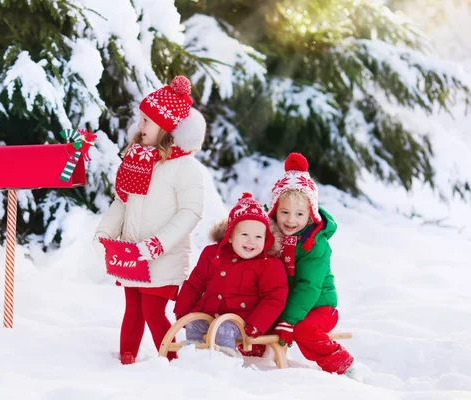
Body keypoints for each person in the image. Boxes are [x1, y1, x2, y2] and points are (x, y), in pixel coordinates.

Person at [93, 76, 206, 365]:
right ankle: (126, 359)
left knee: (153, 311)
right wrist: (106, 231)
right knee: (132, 308)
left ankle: (172, 361)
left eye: (146, 121)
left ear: (166, 129)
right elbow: (124, 200)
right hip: (133, 252)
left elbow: (190, 212)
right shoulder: (136, 159)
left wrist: (158, 244)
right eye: (140, 119)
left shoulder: (185, 167)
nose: (139, 127)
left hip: (162, 255)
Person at [268, 152, 362, 382]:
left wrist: (288, 320)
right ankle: (256, 360)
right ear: (274, 211)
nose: (291, 220)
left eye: (299, 214)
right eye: (284, 212)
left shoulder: (315, 245)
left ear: (310, 215)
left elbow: (308, 286)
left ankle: (342, 365)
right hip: (288, 304)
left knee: (304, 330)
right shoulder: (270, 237)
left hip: (319, 305)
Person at [174, 192, 288, 357]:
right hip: (209, 313)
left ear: (266, 239)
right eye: (245, 235)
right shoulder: (213, 254)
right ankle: (195, 356)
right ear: (229, 237)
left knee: (224, 329)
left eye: (258, 237)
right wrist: (183, 310)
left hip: (242, 320)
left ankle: (225, 363)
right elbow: (195, 282)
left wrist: (255, 325)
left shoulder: (268, 265)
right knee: (193, 324)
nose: (251, 241)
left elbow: (274, 298)